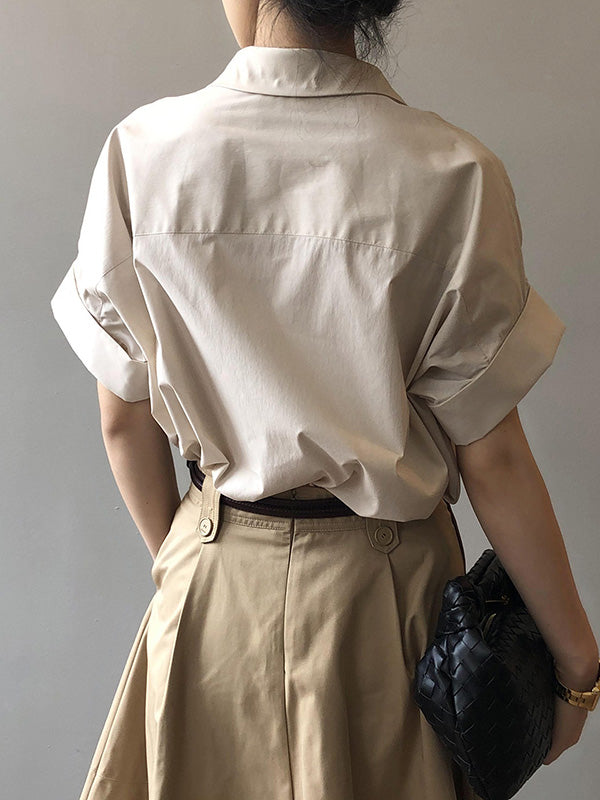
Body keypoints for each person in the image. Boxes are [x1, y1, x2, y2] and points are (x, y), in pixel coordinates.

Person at [50, 1, 599, 798]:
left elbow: (121, 418)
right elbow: (496, 459)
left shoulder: (141, 154)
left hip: (214, 593)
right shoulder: (456, 174)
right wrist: (577, 666)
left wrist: (192, 565)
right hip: (387, 605)